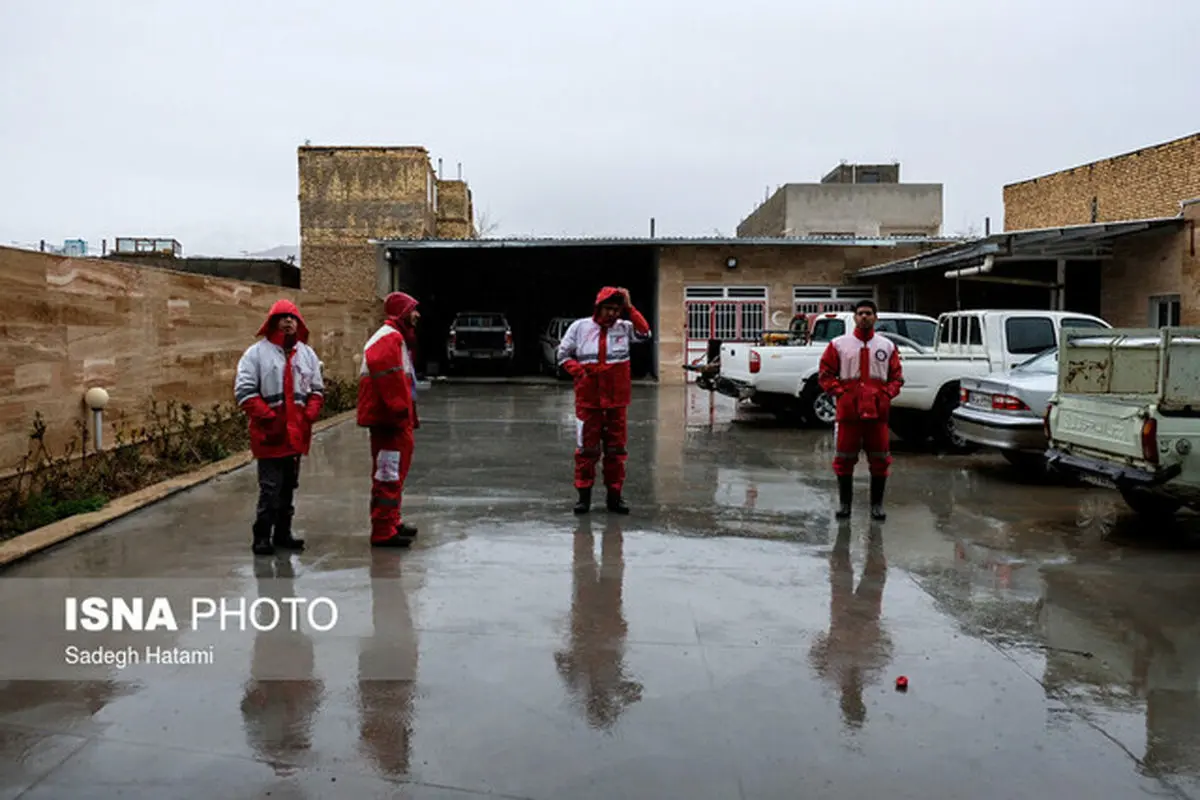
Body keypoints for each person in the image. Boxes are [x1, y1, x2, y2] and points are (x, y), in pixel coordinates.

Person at [234, 299, 325, 555]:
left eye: (292, 317)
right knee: (270, 489)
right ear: (273, 322)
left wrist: (310, 413)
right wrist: (270, 418)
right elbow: (244, 392)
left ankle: (283, 534)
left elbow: (317, 389)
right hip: (270, 435)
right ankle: (262, 536)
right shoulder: (256, 354)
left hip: (296, 435)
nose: (288, 321)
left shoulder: (306, 354)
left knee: (288, 488)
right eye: (283, 317)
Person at [557, 286, 652, 514]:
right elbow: (562, 355)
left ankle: (615, 497)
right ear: (598, 308)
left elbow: (645, 333)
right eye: (608, 308)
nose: (612, 314)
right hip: (588, 403)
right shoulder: (579, 328)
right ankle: (583, 497)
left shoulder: (625, 328)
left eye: (616, 309)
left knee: (616, 452)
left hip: (616, 403)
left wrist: (630, 308)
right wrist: (580, 372)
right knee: (586, 451)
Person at [817, 299, 904, 521]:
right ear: (854, 317)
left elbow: (896, 377)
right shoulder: (838, 344)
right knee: (844, 458)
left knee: (880, 459)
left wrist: (886, 395)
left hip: (877, 415)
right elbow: (825, 373)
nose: (864, 317)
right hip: (849, 414)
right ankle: (845, 505)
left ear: (875, 317)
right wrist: (841, 393)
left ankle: (877, 506)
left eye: (869, 313)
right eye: (860, 313)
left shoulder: (886, 346)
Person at [357, 291, 422, 547]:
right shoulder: (390, 338)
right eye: (413, 310)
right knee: (388, 474)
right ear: (403, 313)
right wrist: (399, 411)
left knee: (394, 472)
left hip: (394, 420)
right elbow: (388, 376)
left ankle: (391, 520)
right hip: (390, 421)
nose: (418, 315)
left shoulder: (396, 338)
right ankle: (383, 530)